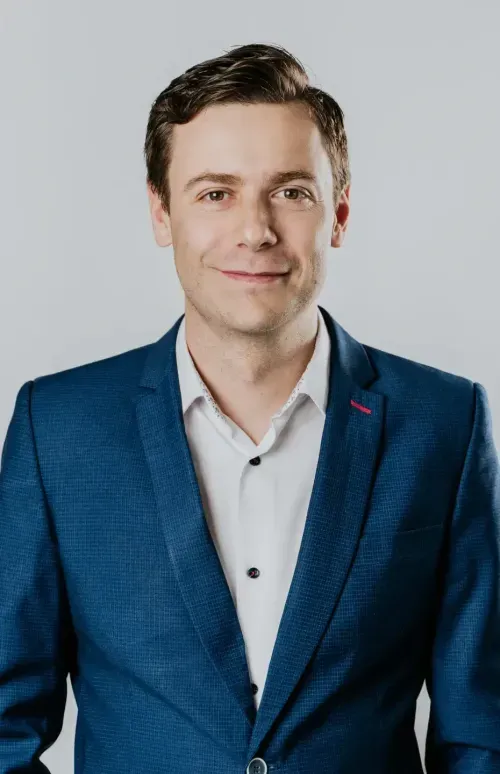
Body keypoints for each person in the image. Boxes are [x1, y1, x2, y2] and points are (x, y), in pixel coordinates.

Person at [0, 42, 499, 774]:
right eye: (215, 193)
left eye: (291, 191)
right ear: (161, 212)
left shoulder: (444, 425)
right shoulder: (58, 430)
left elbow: (482, 732)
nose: (255, 229)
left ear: (339, 213)